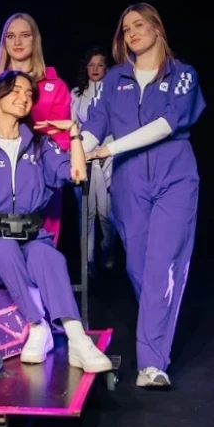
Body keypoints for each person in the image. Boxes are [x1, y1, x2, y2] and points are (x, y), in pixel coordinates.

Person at [0, 71, 112, 372]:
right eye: (16, 91)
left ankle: (78, 340)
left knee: (48, 256)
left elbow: (77, 174)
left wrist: (74, 133)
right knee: (5, 248)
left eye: (29, 94)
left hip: (32, 235)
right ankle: (37, 327)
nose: (24, 97)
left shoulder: (41, 144)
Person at [81, 3, 206, 388]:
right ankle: (159, 324)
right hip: (129, 180)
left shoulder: (182, 74)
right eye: (126, 28)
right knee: (138, 267)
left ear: (156, 28)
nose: (132, 32)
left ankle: (152, 364)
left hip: (174, 174)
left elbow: (168, 123)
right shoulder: (114, 79)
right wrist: (78, 152)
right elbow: (96, 124)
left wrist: (110, 149)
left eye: (139, 25)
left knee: (160, 267)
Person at [0, 13, 73, 244]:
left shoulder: (55, 85)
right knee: (1, 251)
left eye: (24, 35)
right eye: (10, 36)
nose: (17, 42)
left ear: (35, 40)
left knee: (42, 251)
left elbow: (61, 139)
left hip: (42, 178)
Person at [71, 47, 115, 276]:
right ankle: (87, 261)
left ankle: (107, 249)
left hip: (108, 157)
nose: (95, 69)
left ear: (107, 68)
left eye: (100, 64)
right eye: (91, 64)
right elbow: (71, 127)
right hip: (84, 157)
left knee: (106, 213)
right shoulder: (76, 94)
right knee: (85, 212)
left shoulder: (114, 91)